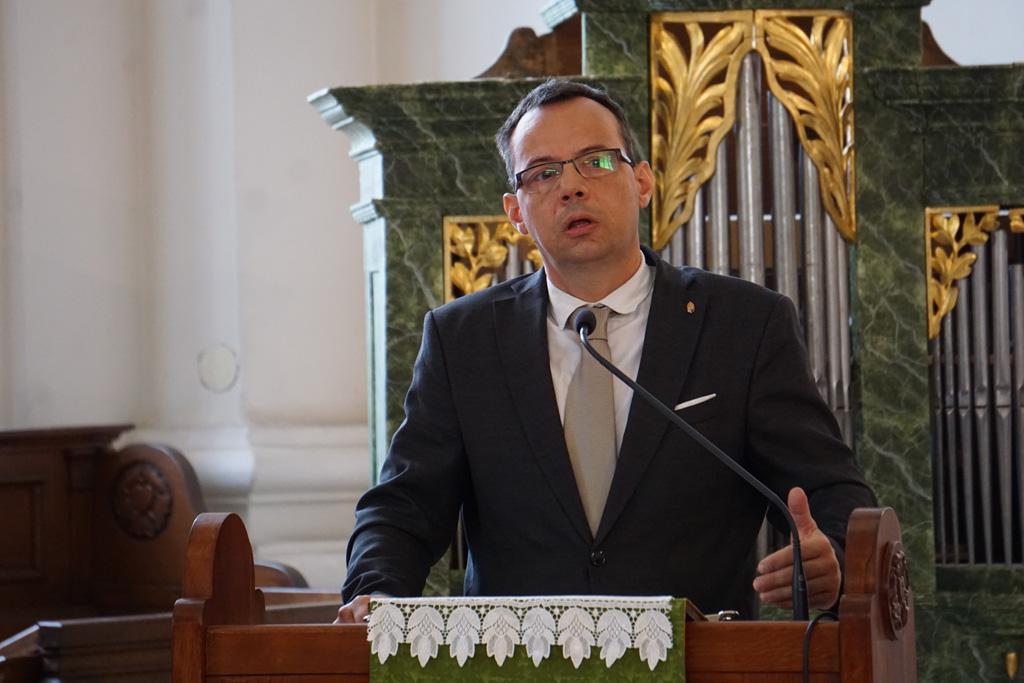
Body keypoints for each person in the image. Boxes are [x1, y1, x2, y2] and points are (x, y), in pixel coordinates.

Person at [336, 79, 875, 624]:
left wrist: (835, 558)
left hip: (699, 657)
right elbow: (404, 506)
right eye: (543, 173)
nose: (571, 187)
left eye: (595, 161)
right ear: (516, 212)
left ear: (642, 182)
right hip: (514, 657)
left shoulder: (743, 325)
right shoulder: (463, 340)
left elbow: (832, 492)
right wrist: (375, 591)